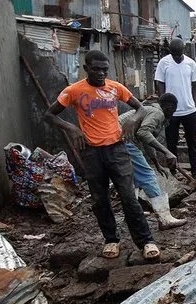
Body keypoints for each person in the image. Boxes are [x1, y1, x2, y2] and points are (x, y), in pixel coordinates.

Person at [44, 50, 160, 260]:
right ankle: (111, 240)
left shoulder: (115, 88)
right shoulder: (74, 91)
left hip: (117, 148)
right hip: (91, 152)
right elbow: (49, 115)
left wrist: (134, 120)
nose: (100, 73)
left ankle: (146, 241)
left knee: (128, 197)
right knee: (100, 199)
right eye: (96, 69)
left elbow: (141, 108)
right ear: (86, 68)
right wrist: (72, 128)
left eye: (104, 69)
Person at [119, 93, 187, 230]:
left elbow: (146, 142)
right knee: (147, 175)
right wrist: (167, 152)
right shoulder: (157, 113)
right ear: (169, 107)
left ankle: (132, 214)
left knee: (135, 179)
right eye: (174, 109)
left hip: (117, 140)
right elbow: (143, 133)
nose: (173, 113)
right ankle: (165, 218)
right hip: (123, 140)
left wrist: (157, 164)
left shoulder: (150, 110)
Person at [155, 38, 196, 178]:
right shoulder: (164, 63)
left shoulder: (190, 63)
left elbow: (195, 86)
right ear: (170, 51)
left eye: (178, 54)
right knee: (171, 143)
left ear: (183, 51)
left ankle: (195, 171)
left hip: (189, 110)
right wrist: (163, 104)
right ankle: (173, 171)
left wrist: (194, 103)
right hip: (171, 112)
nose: (176, 56)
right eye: (174, 54)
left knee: (192, 143)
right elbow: (160, 84)